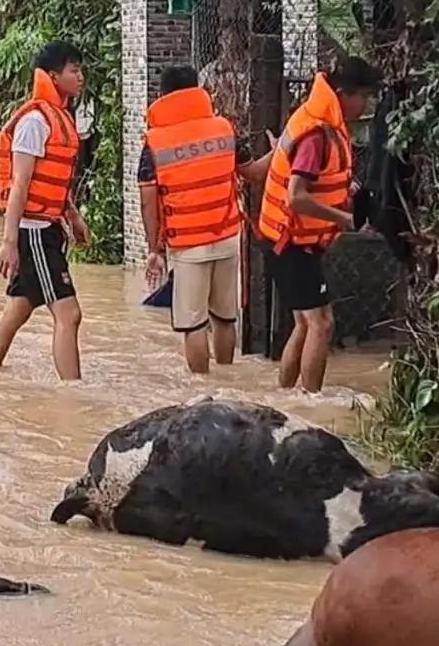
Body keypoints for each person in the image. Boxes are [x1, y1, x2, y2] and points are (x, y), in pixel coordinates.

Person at [256, 55, 383, 393]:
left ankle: (284, 398)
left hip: (289, 239)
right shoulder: (317, 134)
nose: (365, 105)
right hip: (290, 243)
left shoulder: (315, 117)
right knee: (322, 323)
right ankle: (312, 403)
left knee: (305, 323)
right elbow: (296, 196)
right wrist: (346, 219)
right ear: (344, 93)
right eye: (363, 97)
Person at [138, 64, 264, 374]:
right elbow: (251, 173)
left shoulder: (155, 142)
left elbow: (147, 200)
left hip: (187, 245)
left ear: (163, 96)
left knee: (193, 324)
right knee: (224, 317)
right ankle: (226, 379)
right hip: (227, 237)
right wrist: (282, 150)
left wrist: (154, 249)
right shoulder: (224, 128)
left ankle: (203, 387)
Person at [0, 41, 91, 380]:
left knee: (17, 310)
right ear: (54, 76)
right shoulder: (34, 121)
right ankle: (74, 394)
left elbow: (54, 182)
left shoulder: (59, 118)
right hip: (33, 233)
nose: (81, 77)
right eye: (74, 71)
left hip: (48, 227)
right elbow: (20, 184)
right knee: (69, 314)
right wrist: (9, 241)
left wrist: (73, 216)